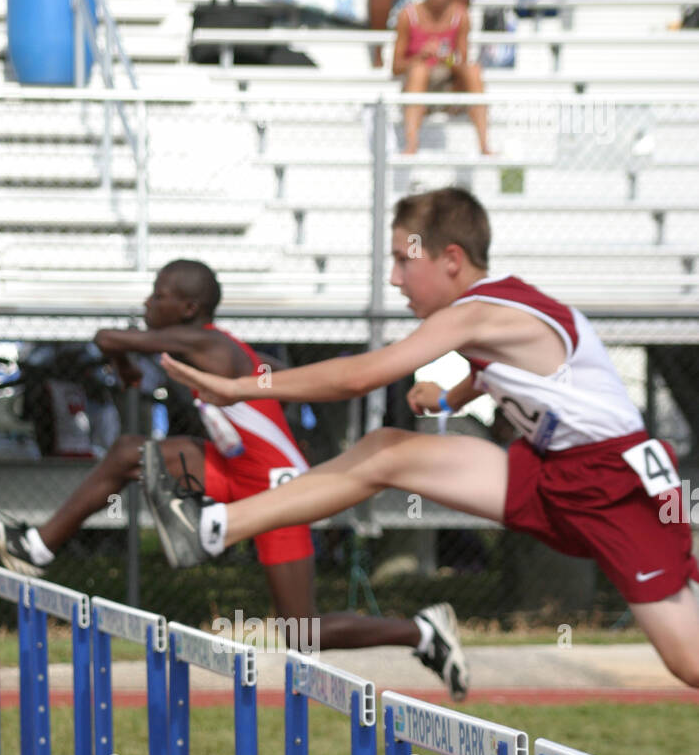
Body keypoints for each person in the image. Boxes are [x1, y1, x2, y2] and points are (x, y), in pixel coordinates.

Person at [145, 188, 699, 691]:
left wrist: (243, 386)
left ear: (451, 259)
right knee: (388, 450)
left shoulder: (479, 312)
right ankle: (216, 527)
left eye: (403, 260)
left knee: (688, 662)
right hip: (550, 470)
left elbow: (360, 375)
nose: (394, 278)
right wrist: (447, 399)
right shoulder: (502, 309)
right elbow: (519, 374)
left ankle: (218, 526)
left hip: (615, 487)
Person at [0, 259, 470, 699]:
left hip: (280, 491)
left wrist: (123, 360)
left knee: (303, 634)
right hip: (233, 469)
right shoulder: (215, 345)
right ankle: (36, 549)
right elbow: (275, 374)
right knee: (129, 452)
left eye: (159, 295)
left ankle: (423, 633)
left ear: (188, 308)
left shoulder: (205, 341)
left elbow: (108, 338)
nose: (148, 301)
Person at [392, 0, 491, 154]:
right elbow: (396, 67)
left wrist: (447, 58)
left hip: (448, 85)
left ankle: (484, 146)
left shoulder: (461, 16)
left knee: (474, 71)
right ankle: (411, 145)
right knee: (419, 71)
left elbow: (463, 64)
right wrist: (421, 56)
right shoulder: (407, 15)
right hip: (417, 85)